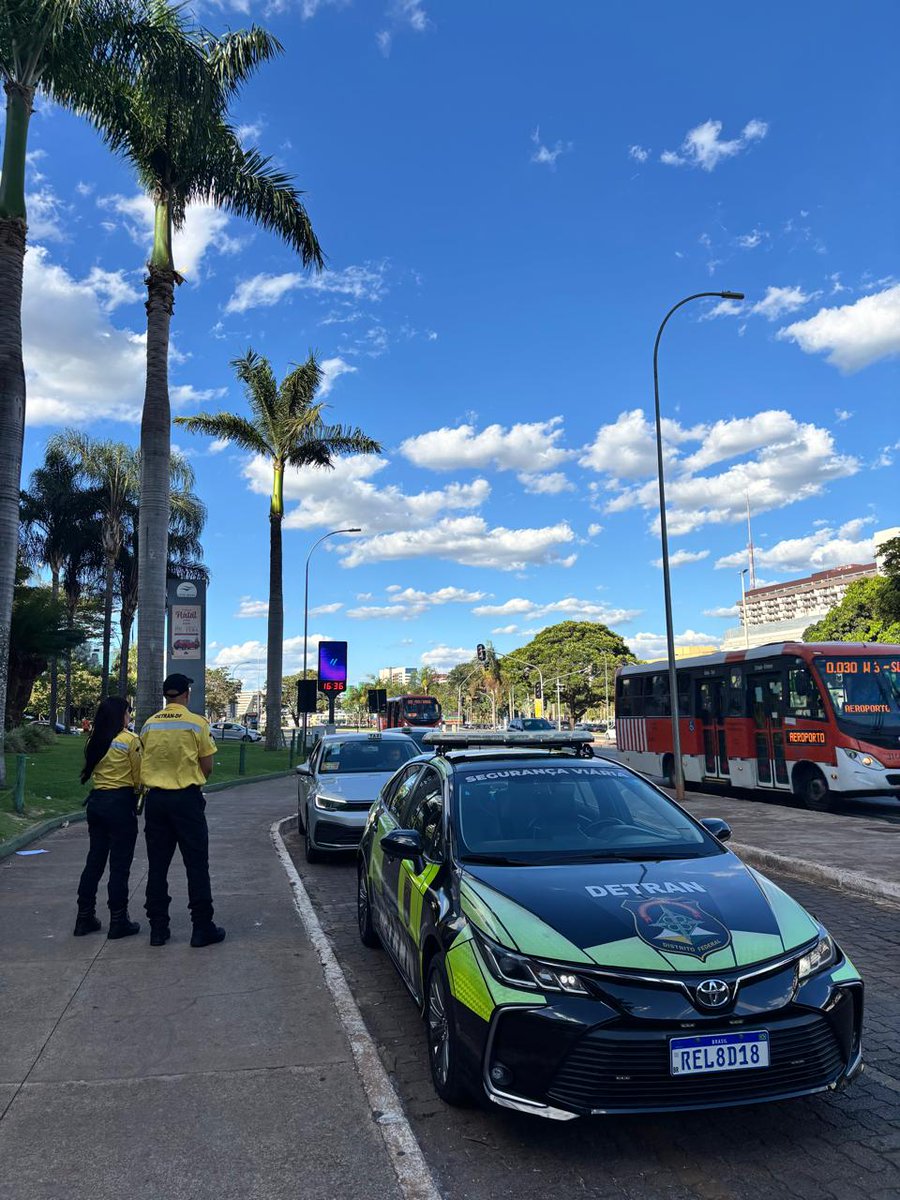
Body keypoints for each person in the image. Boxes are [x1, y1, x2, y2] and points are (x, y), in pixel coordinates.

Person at [140, 674, 225, 948]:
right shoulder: (197, 723)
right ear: (186, 694)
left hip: (156, 801)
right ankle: (202, 928)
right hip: (187, 800)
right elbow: (207, 766)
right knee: (196, 865)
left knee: (157, 866)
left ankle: (158, 929)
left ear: (166, 695)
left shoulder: (149, 725)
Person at [74, 696, 142, 939]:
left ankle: (84, 917)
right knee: (119, 866)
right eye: (128, 712)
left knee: (94, 861)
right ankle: (118, 920)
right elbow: (139, 776)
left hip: (97, 803)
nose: (129, 716)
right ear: (120, 715)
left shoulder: (95, 739)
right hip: (120, 803)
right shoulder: (129, 740)